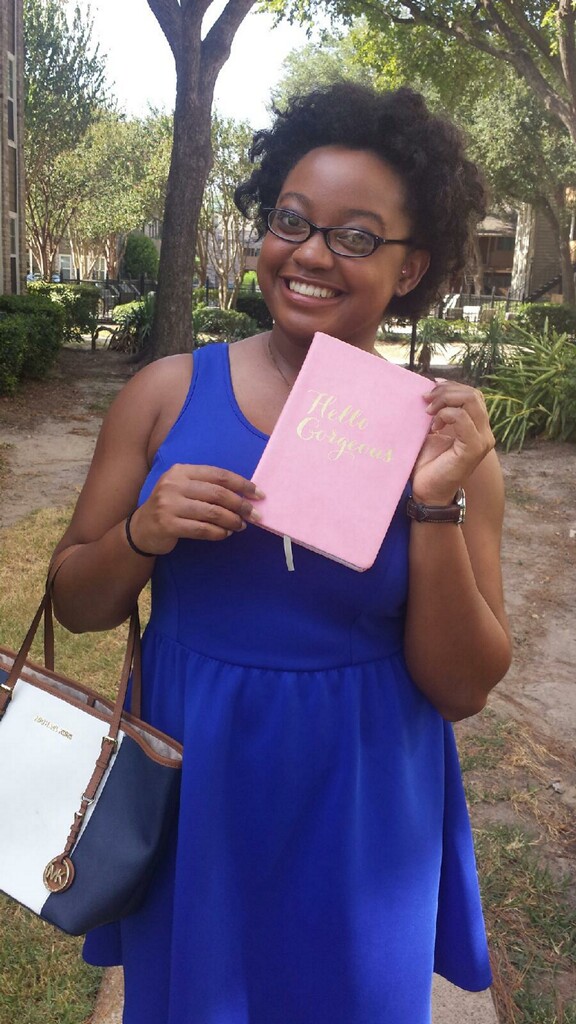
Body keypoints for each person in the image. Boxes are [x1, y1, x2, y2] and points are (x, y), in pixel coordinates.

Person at [50, 83, 512, 1024]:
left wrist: (433, 505)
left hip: (362, 795)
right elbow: (75, 602)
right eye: (291, 221)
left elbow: (464, 687)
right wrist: (143, 532)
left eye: (355, 236)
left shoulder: (444, 442)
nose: (309, 253)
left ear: (412, 266)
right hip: (200, 776)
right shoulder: (166, 394)